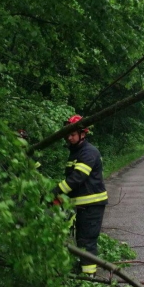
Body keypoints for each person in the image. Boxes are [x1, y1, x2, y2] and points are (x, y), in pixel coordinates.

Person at [52, 115, 108, 276]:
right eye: (67, 135)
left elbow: (76, 178)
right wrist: (60, 198)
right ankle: (85, 269)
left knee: (87, 241)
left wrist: (56, 191)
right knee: (81, 239)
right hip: (82, 205)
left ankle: (89, 279)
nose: (69, 138)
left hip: (92, 204)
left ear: (83, 134)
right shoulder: (76, 153)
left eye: (73, 134)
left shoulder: (88, 152)